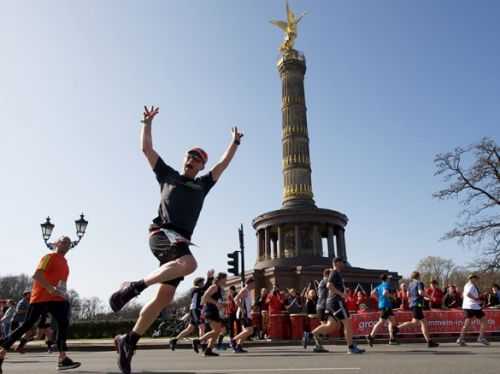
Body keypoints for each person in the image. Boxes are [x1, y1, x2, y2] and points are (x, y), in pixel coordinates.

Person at [109, 106, 243, 374]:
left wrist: (234, 142)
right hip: (161, 233)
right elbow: (147, 150)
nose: (192, 161)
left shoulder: (203, 184)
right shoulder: (167, 175)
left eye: (198, 160)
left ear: (202, 165)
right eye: (189, 157)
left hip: (179, 242)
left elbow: (223, 165)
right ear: (184, 159)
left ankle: (129, 340)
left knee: (164, 298)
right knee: (190, 264)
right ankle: (133, 287)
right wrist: (146, 124)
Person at [0, 236, 81, 372]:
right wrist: (51, 289)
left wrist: (63, 293)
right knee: (28, 325)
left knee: (63, 322)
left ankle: (63, 358)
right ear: (56, 243)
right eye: (64, 241)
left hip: (56, 299)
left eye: (69, 243)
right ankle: (2, 350)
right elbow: (37, 275)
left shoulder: (65, 262)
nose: (67, 244)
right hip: (41, 297)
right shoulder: (48, 257)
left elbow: (61, 282)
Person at [327, 258, 365, 354]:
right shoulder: (334, 272)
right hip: (337, 301)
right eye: (341, 263)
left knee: (331, 326)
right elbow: (329, 285)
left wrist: (344, 293)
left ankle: (310, 335)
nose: (343, 264)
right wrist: (341, 294)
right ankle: (351, 347)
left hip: (335, 301)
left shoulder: (337, 274)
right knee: (347, 323)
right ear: (336, 263)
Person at [169, 270, 214, 350]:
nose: (203, 284)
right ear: (199, 283)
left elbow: (206, 288)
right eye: (202, 282)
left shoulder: (200, 289)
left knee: (190, 329)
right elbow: (205, 287)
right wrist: (209, 278)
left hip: (196, 310)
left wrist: (209, 279)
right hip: (195, 309)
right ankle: (203, 344)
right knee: (202, 327)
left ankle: (174, 340)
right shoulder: (195, 289)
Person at [396, 271, 439, 348]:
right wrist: (430, 297)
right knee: (416, 323)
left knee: (422, 322)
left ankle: (429, 341)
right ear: (418, 276)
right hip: (417, 305)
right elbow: (420, 292)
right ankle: (396, 328)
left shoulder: (410, 284)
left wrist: (424, 298)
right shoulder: (419, 283)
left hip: (413, 304)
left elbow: (408, 294)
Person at [193, 272, 228, 357]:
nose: (226, 280)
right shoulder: (214, 287)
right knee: (216, 331)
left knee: (217, 331)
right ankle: (198, 341)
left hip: (214, 310)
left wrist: (222, 304)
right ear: (220, 279)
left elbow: (212, 300)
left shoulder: (218, 288)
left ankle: (209, 350)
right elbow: (205, 297)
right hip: (210, 311)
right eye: (225, 279)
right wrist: (216, 303)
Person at [306, 268, 335, 353]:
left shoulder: (323, 282)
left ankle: (318, 345)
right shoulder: (326, 281)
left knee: (327, 327)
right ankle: (310, 335)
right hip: (323, 307)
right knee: (328, 326)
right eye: (331, 275)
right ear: (327, 275)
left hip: (323, 307)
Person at [366, 274, 399, 346]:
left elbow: (372, 293)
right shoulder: (386, 284)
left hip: (385, 305)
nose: (390, 279)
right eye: (389, 278)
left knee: (392, 322)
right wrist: (392, 297)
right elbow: (385, 293)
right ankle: (371, 336)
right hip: (386, 305)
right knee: (381, 321)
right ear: (386, 279)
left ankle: (392, 338)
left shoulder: (380, 285)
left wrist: (378, 299)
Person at [456, 274, 489, 346]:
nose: (477, 280)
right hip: (473, 307)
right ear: (472, 278)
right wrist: (476, 299)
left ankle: (460, 338)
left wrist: (478, 300)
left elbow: (464, 295)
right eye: (476, 278)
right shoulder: (471, 285)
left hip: (467, 306)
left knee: (467, 323)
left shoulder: (467, 285)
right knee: (484, 320)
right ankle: (481, 337)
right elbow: (468, 294)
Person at [231, 277, 256, 353]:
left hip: (247, 314)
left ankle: (238, 346)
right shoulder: (244, 290)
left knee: (246, 331)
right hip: (243, 314)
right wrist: (242, 308)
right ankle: (233, 340)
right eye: (253, 283)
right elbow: (236, 299)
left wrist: (251, 307)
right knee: (249, 331)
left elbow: (245, 302)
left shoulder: (248, 291)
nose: (254, 285)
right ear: (250, 283)